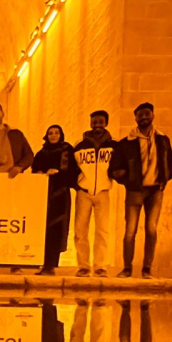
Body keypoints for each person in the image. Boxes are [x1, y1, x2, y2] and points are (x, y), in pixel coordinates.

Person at [110, 102, 172, 278]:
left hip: (155, 190)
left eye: (147, 114)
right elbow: (114, 168)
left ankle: (147, 268)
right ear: (135, 118)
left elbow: (170, 161)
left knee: (151, 229)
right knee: (130, 231)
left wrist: (165, 178)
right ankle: (127, 268)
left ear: (153, 115)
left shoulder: (162, 139)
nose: (144, 117)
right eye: (140, 115)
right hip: (135, 191)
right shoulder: (126, 143)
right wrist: (128, 181)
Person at [72, 110, 116, 277]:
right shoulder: (80, 145)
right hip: (84, 192)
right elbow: (73, 167)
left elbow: (118, 165)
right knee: (80, 230)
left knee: (102, 230)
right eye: (94, 122)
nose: (97, 125)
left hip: (103, 192)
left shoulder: (114, 145)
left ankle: (100, 266)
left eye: (100, 122)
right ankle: (83, 266)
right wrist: (76, 184)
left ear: (106, 123)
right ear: (90, 123)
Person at [31, 124, 78, 275]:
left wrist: (56, 173)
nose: (53, 135)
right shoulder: (41, 153)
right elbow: (34, 170)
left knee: (56, 229)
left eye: (56, 133)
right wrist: (40, 173)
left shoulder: (66, 150)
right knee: (44, 229)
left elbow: (71, 170)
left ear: (61, 135)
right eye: (50, 133)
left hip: (60, 194)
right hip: (44, 195)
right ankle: (45, 264)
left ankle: (52, 265)